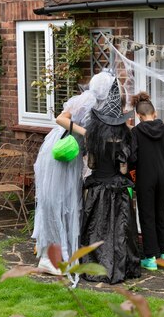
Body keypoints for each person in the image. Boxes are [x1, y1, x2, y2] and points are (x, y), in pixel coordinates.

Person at [31, 70, 118, 282]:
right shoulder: (86, 99)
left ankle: (59, 254)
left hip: (72, 157)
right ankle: (48, 258)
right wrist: (86, 133)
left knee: (67, 203)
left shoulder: (99, 107)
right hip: (59, 154)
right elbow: (61, 118)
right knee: (56, 202)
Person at [60, 75, 141, 284]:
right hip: (117, 188)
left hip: (97, 189)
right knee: (120, 229)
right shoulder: (123, 138)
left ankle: (95, 263)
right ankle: (122, 265)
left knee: (96, 228)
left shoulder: (94, 139)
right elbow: (124, 170)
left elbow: (93, 165)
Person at [130, 92, 164, 270]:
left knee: (147, 215)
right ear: (154, 113)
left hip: (145, 178)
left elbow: (132, 158)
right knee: (161, 214)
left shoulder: (136, 132)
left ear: (139, 116)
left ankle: (150, 257)